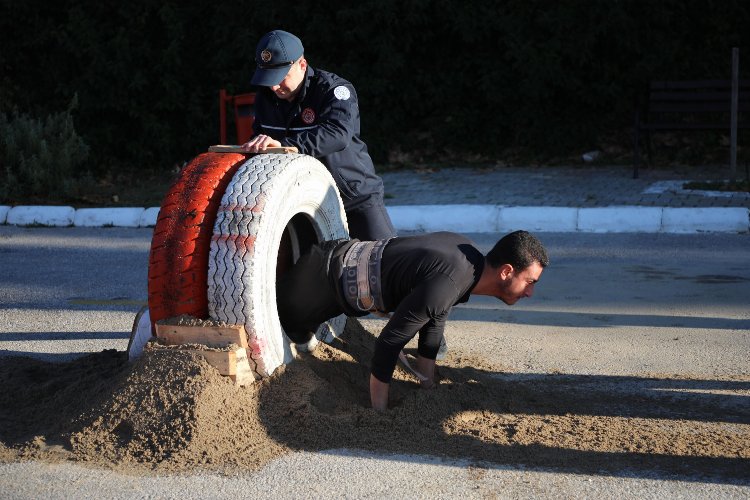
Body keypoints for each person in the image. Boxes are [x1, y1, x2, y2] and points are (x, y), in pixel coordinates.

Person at [276, 230, 549, 411]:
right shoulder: (450, 282)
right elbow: (388, 343)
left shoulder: (469, 261)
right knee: (280, 326)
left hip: (333, 263)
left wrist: (427, 384)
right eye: (529, 282)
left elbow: (434, 325)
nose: (530, 292)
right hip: (314, 287)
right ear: (506, 272)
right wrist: (379, 412)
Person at [241, 29, 395, 241]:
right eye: (268, 79)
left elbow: (338, 134)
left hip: (353, 196)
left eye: (281, 77)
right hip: (302, 204)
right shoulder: (265, 98)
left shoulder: (334, 90)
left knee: (382, 263)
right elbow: (261, 135)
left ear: (302, 65)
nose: (274, 86)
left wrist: (285, 145)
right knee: (313, 272)